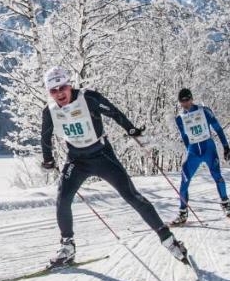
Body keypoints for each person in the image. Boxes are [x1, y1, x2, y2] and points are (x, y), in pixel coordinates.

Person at [39, 66, 191, 269]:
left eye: (62, 87)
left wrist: (131, 129)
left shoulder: (89, 98)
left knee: (131, 196)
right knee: (62, 199)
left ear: (70, 85)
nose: (59, 94)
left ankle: (169, 240)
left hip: (102, 156)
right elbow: (45, 136)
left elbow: (114, 112)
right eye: (54, 90)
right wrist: (48, 159)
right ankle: (67, 247)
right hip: (76, 160)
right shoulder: (50, 112)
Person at [170, 88, 230, 226]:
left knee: (218, 176)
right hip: (193, 153)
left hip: (208, 150)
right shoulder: (180, 118)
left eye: (187, 100)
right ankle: (182, 212)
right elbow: (185, 136)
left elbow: (218, 128)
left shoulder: (204, 111)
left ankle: (225, 203)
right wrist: (188, 151)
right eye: (182, 102)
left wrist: (226, 146)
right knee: (184, 181)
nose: (185, 104)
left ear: (192, 99)